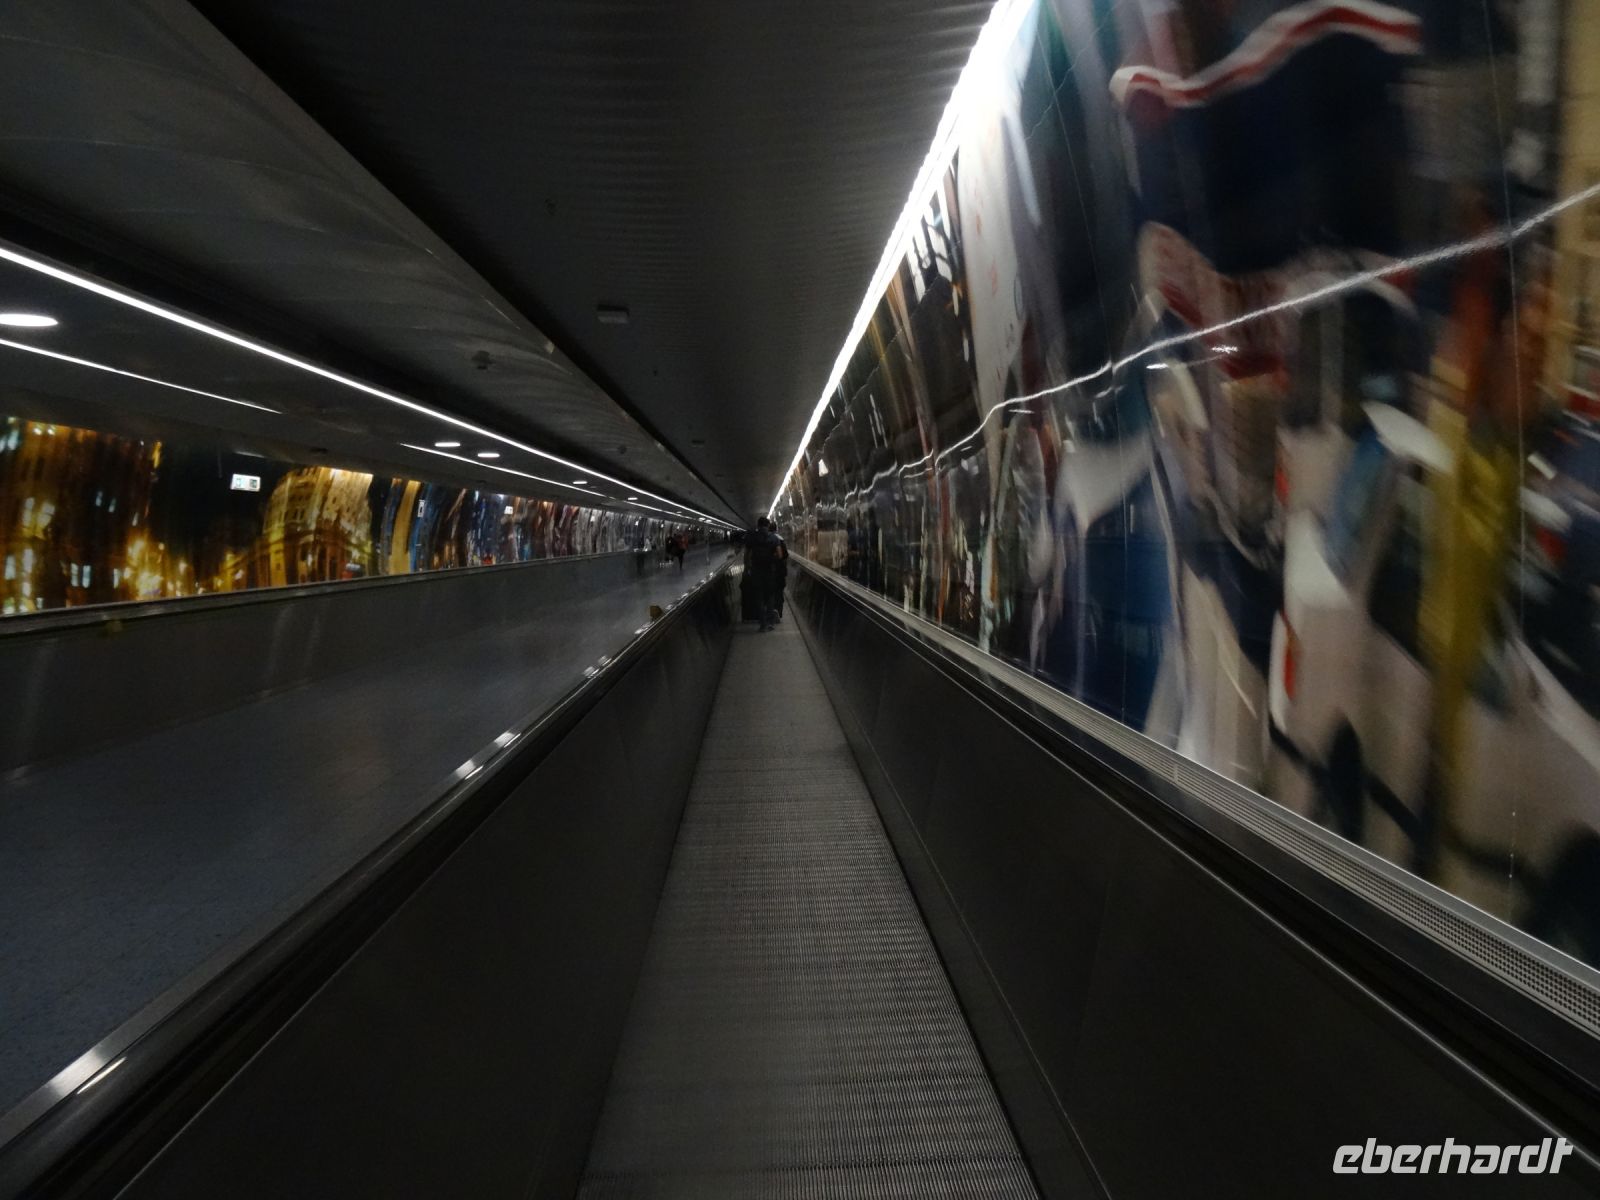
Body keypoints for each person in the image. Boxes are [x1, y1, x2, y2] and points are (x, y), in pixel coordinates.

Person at [743, 517, 784, 631]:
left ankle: (762, 624)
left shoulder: (752, 537)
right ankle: (770, 623)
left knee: (759, 597)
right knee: (770, 597)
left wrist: (747, 568)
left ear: (758, 525)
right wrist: (771, 558)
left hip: (756, 571)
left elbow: (746, 555)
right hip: (769, 571)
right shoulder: (773, 538)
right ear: (768, 525)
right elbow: (780, 555)